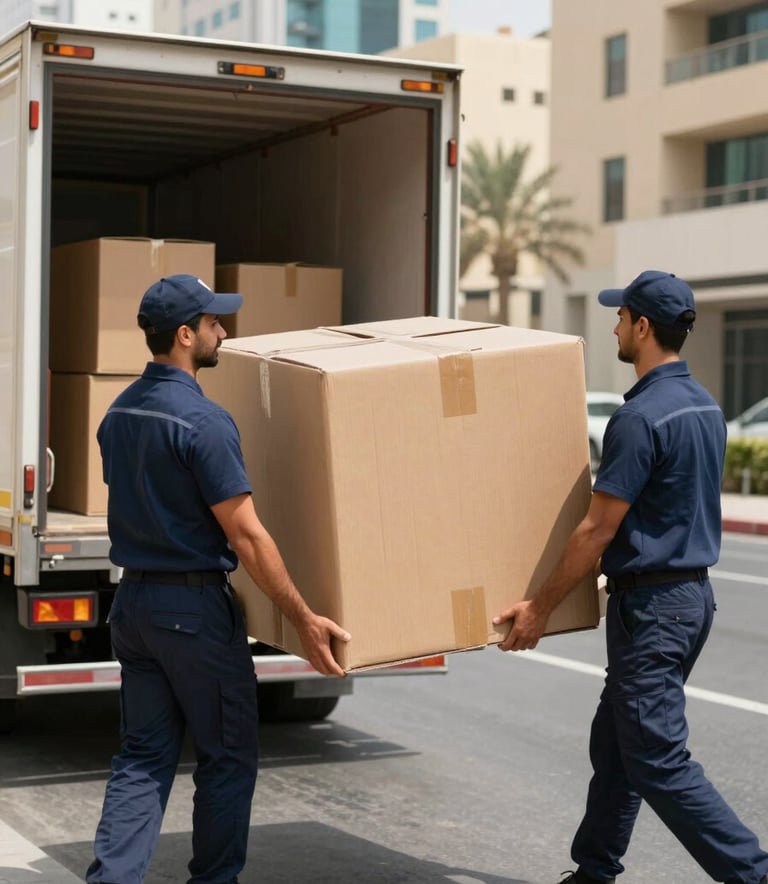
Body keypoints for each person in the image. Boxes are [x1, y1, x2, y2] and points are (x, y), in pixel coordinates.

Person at [493, 270, 768, 884]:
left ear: (642, 328)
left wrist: (539, 607)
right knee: (618, 745)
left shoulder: (641, 418)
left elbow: (596, 529)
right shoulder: (704, 406)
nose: (615, 325)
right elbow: (669, 508)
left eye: (621, 317)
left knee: (658, 760)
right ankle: (594, 872)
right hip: (689, 599)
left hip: (655, 611)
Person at [86, 273, 350, 884]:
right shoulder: (203, 421)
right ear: (185, 335)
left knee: (143, 757)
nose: (223, 331)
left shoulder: (117, 413)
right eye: (212, 323)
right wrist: (303, 618)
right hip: (193, 612)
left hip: (135, 608)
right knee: (227, 758)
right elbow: (248, 537)